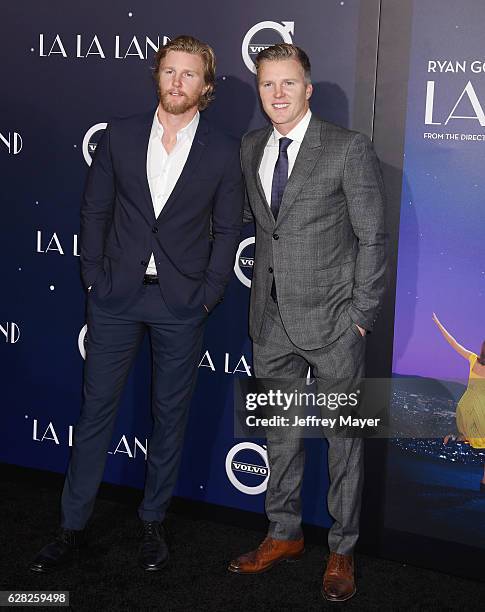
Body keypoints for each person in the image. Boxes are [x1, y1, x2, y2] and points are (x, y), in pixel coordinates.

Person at [30, 35, 244, 573]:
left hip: (181, 304)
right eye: (169, 70)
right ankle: (71, 527)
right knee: (95, 412)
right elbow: (94, 213)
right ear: (157, 76)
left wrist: (209, 294)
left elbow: (227, 232)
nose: (177, 81)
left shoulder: (222, 150)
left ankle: (152, 523)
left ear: (206, 86)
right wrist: (93, 278)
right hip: (115, 299)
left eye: (189, 74)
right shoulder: (119, 136)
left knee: (169, 417)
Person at [228, 44, 387, 602]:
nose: (277, 94)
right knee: (280, 437)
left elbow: (372, 237)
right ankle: (284, 534)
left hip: (336, 325)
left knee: (345, 442)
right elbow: (260, 225)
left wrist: (360, 318)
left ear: (308, 88)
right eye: (267, 84)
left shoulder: (348, 148)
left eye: (288, 84)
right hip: (269, 320)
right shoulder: (251, 147)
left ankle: (342, 549)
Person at [432, 312, 485, 489]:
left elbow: (453, 342)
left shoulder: (472, 359)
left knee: (468, 436)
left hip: (466, 405)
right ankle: (484, 480)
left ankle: (453, 437)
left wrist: (439, 324)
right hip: (480, 409)